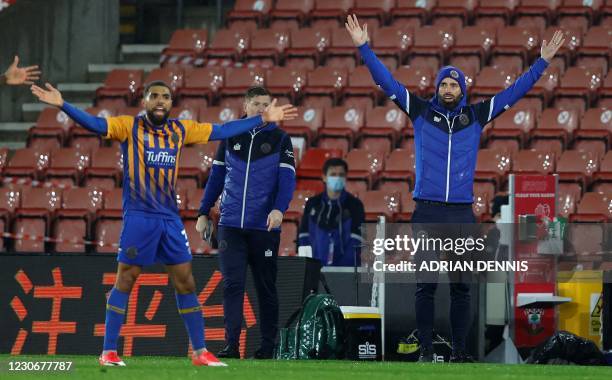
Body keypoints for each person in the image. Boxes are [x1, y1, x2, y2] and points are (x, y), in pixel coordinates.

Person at [30, 80, 297, 367]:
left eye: (166, 96)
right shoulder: (128, 126)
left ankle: (200, 352)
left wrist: (261, 120)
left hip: (170, 220)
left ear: (171, 103)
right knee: (126, 279)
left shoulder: (179, 130)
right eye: (154, 96)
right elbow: (96, 125)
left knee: (186, 282)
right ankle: (108, 350)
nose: (160, 100)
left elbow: (220, 131)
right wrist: (62, 105)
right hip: (140, 218)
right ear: (144, 101)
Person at [345, 14, 565, 362]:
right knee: (426, 286)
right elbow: (385, 81)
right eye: (444, 85)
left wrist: (542, 63)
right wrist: (363, 47)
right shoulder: (419, 111)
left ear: (463, 89)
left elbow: (515, 92)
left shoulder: (476, 116)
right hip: (427, 212)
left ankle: (461, 353)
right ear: (437, 88)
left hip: (462, 213)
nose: (449, 90)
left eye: (454, 85)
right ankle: (427, 352)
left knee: (463, 287)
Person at [195, 86, 296, 360]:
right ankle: (231, 345)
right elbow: (216, 177)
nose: (262, 109)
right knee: (231, 285)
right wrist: (203, 212)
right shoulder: (230, 136)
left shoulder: (281, 139)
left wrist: (278, 210)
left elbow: (287, 181)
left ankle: (267, 346)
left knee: (265, 286)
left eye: (266, 104)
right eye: (257, 104)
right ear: (246, 105)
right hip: (230, 226)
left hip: (264, 227)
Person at [297, 158, 365, 267]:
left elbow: (356, 241)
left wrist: (339, 271)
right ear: (324, 177)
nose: (337, 178)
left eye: (341, 175)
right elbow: (304, 237)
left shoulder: (355, 205)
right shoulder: (312, 204)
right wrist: (309, 265)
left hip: (345, 271)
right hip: (314, 269)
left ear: (345, 177)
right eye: (333, 174)